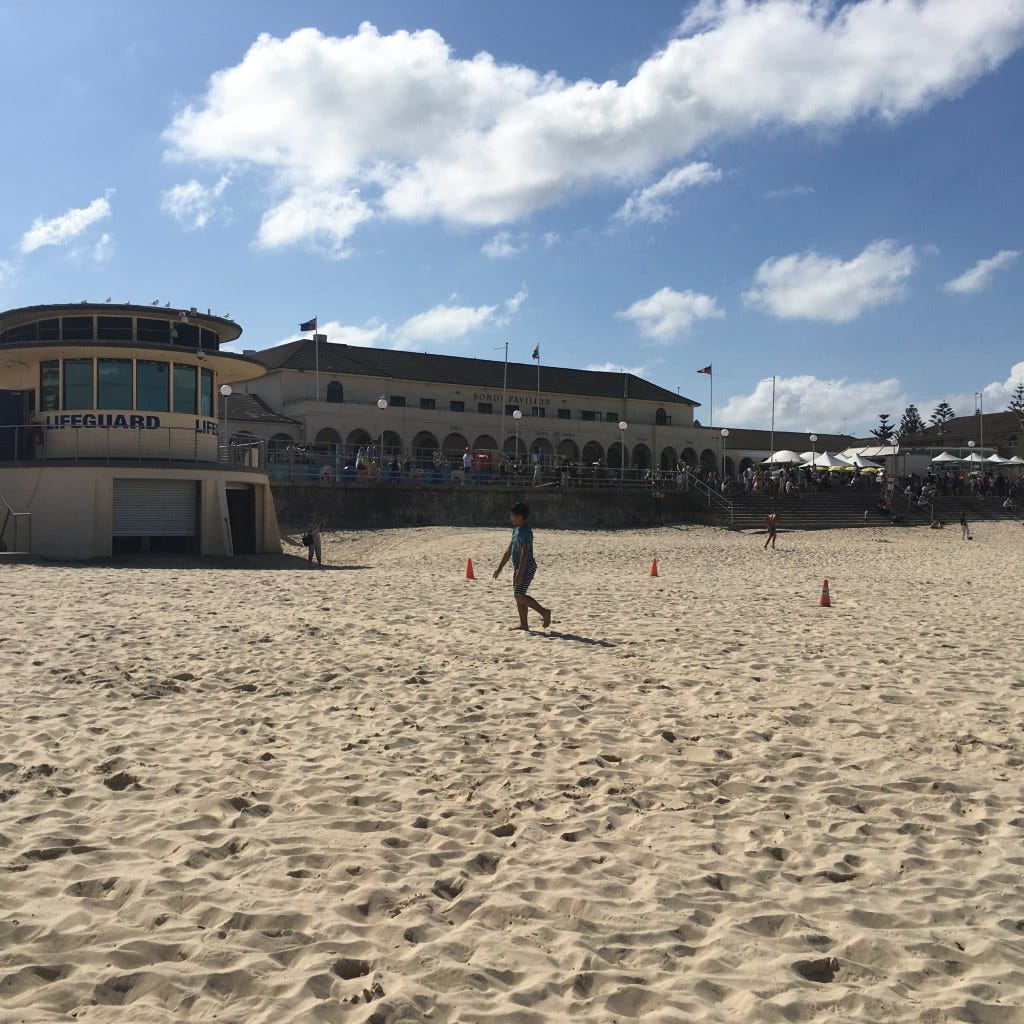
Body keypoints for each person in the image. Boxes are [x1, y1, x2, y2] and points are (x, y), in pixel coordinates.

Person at [493, 501, 551, 630]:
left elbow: (525, 553)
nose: (510, 518)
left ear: (519, 516)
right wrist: (499, 568)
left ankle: (544, 612)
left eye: (512, 515)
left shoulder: (526, 532)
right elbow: (509, 551)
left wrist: (520, 572)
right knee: (519, 596)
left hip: (527, 566)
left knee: (518, 595)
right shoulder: (515, 531)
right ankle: (524, 624)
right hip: (518, 567)